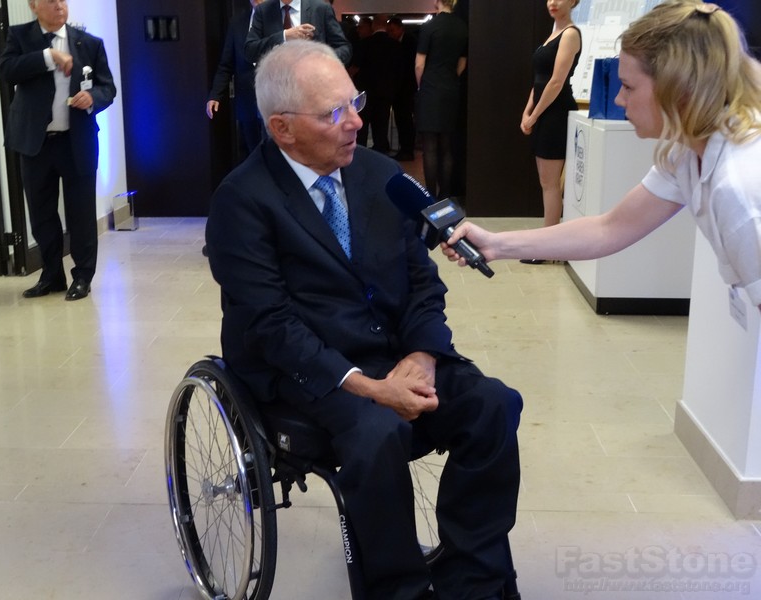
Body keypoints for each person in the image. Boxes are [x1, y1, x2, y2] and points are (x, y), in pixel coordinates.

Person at [206, 40, 522, 600]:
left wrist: (422, 357)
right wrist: (370, 388)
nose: (357, 121)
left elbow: (422, 282)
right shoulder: (242, 202)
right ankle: (397, 589)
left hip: (397, 352)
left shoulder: (378, 174)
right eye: (335, 113)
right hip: (310, 371)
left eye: (357, 102)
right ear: (282, 128)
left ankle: (477, 579)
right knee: (376, 434)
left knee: (492, 405)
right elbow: (271, 325)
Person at [442, 0, 761, 311]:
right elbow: (609, 228)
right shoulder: (687, 154)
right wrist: (496, 244)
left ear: (679, 90)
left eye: (628, 87)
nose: (619, 100)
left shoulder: (739, 187)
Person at [0, 0, 116, 301]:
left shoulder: (89, 43)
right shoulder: (20, 36)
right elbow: (8, 70)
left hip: (76, 140)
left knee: (81, 213)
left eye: (62, 0)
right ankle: (51, 274)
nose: (58, 6)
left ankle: (82, 277)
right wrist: (47, 57)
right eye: (50, 1)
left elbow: (108, 88)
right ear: (33, 6)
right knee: (41, 214)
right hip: (35, 142)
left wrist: (92, 97)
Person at [519, 0, 581, 265]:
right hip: (545, 112)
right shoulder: (553, 34)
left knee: (550, 183)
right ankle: (550, 244)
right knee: (547, 182)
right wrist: (527, 110)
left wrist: (534, 114)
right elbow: (540, 80)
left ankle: (549, 247)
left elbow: (556, 82)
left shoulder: (570, 33)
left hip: (555, 112)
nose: (553, 2)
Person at [415, 0, 468, 199]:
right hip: (451, 89)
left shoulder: (429, 26)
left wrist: (421, 85)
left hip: (430, 89)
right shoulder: (462, 27)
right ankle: (445, 195)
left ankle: (430, 195)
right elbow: (462, 63)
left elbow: (419, 64)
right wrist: (450, 78)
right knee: (446, 146)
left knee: (429, 147)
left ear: (437, 2)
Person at [206, 0, 264, 161]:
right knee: (253, 155)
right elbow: (226, 64)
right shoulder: (237, 23)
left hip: (277, 99)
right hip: (248, 100)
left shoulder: (281, 21)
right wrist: (215, 95)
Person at [352, 13, 403, 154]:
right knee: (381, 129)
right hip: (385, 93)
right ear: (386, 27)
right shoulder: (395, 46)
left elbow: (355, 67)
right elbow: (399, 71)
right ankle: (380, 158)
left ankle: (360, 157)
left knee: (361, 128)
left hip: (365, 92)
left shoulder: (364, 44)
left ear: (373, 26)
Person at [244, 0, 351, 66]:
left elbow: (344, 48)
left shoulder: (320, 9)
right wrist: (284, 36)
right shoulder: (263, 10)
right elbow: (250, 51)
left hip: (314, 86)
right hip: (276, 90)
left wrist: (322, 59)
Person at [387, 16, 418, 161]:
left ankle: (407, 149)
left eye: (392, 30)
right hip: (399, 87)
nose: (390, 33)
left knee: (405, 119)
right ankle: (404, 147)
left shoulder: (410, 42)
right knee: (401, 119)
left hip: (406, 87)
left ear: (400, 29)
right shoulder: (398, 42)